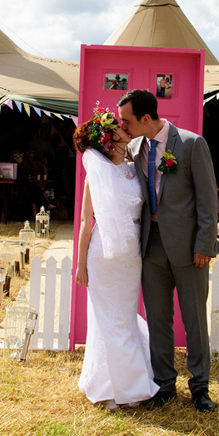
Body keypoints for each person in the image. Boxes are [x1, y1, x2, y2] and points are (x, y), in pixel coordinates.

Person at [118, 89, 219, 413]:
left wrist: (204, 244)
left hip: (190, 248)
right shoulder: (133, 148)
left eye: (127, 120)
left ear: (145, 119)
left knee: (194, 320)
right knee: (158, 318)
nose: (123, 126)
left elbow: (208, 199)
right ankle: (164, 385)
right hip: (151, 245)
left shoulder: (191, 144)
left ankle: (200, 388)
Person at [73, 108, 159, 409]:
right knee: (111, 320)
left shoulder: (136, 167)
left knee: (123, 317)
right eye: (119, 128)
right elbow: (86, 223)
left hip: (132, 253)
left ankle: (122, 380)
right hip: (104, 256)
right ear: (110, 139)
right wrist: (81, 264)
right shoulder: (95, 174)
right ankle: (127, 389)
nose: (125, 128)